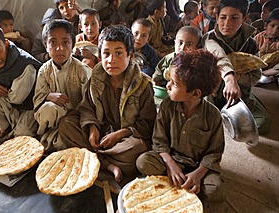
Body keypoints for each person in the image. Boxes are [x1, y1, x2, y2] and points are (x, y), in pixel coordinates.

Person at [59, 25, 157, 182]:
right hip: (103, 132)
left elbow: (147, 124)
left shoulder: (143, 85)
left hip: (126, 139)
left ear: (130, 55)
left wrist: (120, 134)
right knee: (66, 124)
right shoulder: (96, 78)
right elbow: (86, 108)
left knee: (136, 150)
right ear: (100, 56)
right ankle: (108, 164)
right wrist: (92, 128)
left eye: (118, 53)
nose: (111, 60)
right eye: (106, 54)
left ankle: (95, 159)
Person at [137, 49, 225, 201]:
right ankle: (178, 178)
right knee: (143, 162)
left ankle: (186, 180)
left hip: (197, 165)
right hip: (171, 158)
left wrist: (198, 173)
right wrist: (171, 164)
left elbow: (214, 153)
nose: (168, 86)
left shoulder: (213, 116)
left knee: (214, 190)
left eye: (174, 84)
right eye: (169, 81)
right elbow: (159, 140)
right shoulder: (166, 106)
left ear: (196, 94)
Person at [203, 0, 271, 134]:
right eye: (223, 17)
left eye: (234, 18)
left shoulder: (250, 43)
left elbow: (256, 75)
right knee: (204, 120)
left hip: (239, 91)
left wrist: (238, 78)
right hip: (212, 92)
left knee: (262, 123)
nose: (227, 23)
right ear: (217, 17)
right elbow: (219, 56)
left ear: (244, 19)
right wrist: (229, 78)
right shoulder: (209, 38)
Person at [0, 23, 42, 140]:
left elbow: (16, 99)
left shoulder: (24, 64)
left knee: (22, 135)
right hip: (11, 107)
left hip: (30, 107)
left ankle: (15, 128)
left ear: (5, 43)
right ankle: (6, 127)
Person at [33, 20, 92, 152]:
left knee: (62, 141)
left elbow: (91, 104)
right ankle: (47, 135)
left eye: (65, 42)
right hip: (52, 123)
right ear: (45, 46)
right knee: (48, 108)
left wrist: (72, 113)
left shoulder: (82, 70)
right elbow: (37, 100)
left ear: (72, 45)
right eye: (53, 43)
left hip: (76, 121)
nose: (59, 48)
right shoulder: (44, 70)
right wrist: (48, 96)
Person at [255, 7, 279, 85]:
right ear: (266, 25)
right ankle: (262, 76)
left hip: (274, 68)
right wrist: (263, 49)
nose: (275, 30)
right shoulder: (259, 37)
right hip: (259, 64)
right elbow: (252, 54)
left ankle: (264, 75)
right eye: (272, 26)